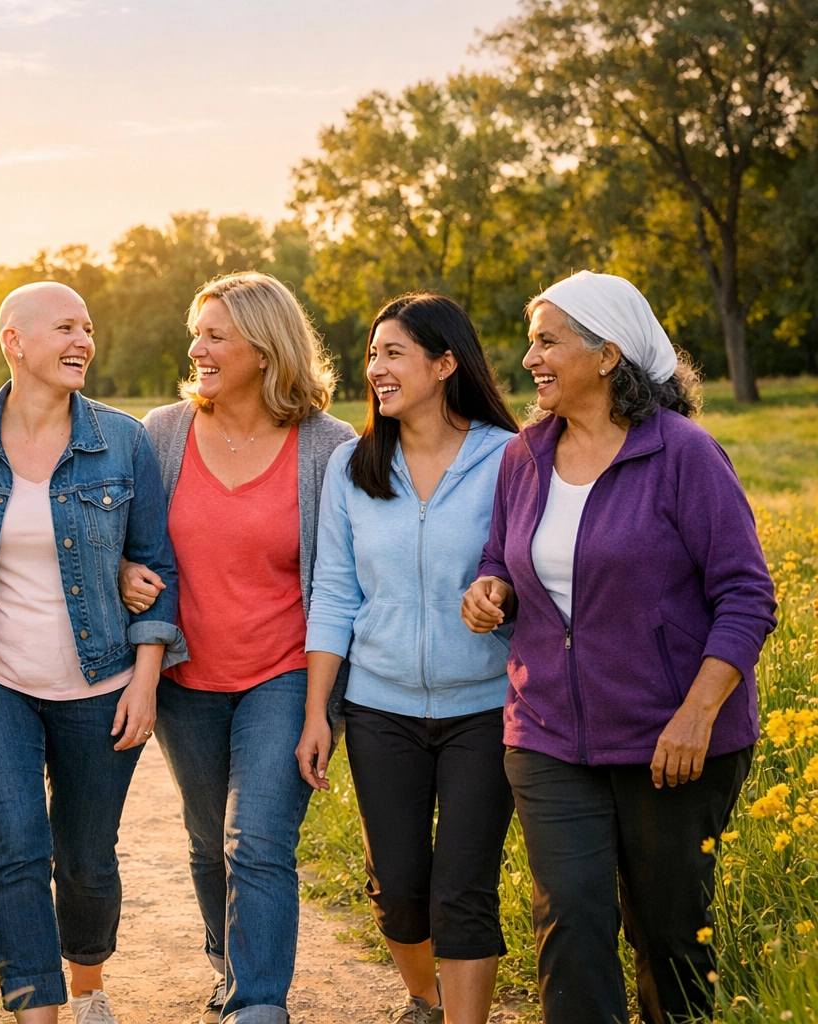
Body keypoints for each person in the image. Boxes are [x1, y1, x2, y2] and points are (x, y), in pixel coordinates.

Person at [462, 271, 777, 1024]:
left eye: (548, 341)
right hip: (547, 733)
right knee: (569, 923)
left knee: (669, 940)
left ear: (607, 355)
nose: (530, 357)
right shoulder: (526, 455)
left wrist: (697, 714)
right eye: (531, 341)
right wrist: (491, 586)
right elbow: (503, 555)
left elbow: (746, 594)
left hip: (673, 741)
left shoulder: (685, 456)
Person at [0, 282, 184, 1024]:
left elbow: (158, 565)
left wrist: (146, 681)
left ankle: (88, 988)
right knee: (17, 850)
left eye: (88, 328)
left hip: (102, 682)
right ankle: (38, 1012)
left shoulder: (122, 440)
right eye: (65, 327)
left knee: (87, 860)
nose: (84, 341)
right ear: (14, 341)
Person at [117, 271, 354, 1024]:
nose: (198, 348)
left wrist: (324, 707)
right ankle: (226, 959)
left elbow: (344, 576)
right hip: (189, 671)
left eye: (215, 334)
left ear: (264, 346)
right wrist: (125, 570)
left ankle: (258, 1002)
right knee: (205, 837)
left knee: (256, 839)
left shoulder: (328, 446)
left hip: (284, 672)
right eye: (199, 332)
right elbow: (128, 539)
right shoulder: (162, 432)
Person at [297, 294, 519, 1024]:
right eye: (372, 354)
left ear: (445, 363)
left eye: (394, 353)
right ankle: (424, 1000)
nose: (376, 369)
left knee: (464, 886)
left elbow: (529, 568)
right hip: (380, 705)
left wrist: (502, 594)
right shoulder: (353, 466)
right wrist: (317, 715)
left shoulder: (508, 458)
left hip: (483, 706)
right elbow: (332, 591)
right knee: (397, 885)